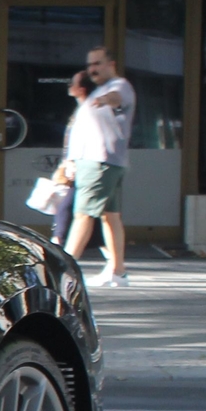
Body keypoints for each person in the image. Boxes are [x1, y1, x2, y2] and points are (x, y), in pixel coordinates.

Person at [56, 46, 133, 286]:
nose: (92, 69)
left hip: (100, 162)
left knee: (82, 215)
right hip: (99, 161)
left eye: (98, 63)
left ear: (111, 64)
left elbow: (117, 100)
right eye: (90, 65)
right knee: (110, 217)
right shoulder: (96, 91)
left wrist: (105, 100)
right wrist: (70, 160)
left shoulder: (118, 86)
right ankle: (118, 273)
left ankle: (62, 271)